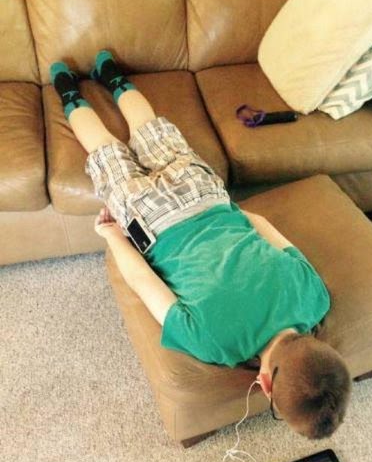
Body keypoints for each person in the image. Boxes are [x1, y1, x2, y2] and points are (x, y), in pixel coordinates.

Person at [50, 51, 351, 439]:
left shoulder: (315, 298)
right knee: (105, 149)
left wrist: (221, 213)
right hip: (153, 222)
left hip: (205, 196)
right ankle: (67, 88)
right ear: (266, 385)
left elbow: (260, 224)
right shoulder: (215, 345)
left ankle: (111, 75)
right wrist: (111, 235)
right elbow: (142, 281)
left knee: (149, 128)